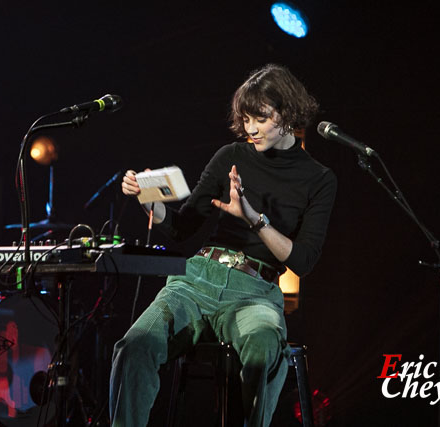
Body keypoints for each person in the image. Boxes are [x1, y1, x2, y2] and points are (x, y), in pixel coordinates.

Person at [110, 63, 337, 427]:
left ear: (288, 112)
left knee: (263, 347)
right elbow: (184, 228)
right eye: (246, 119)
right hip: (197, 278)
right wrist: (151, 204)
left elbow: (304, 260)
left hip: (256, 292)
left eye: (260, 119)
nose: (250, 129)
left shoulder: (319, 179)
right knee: (134, 346)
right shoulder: (230, 156)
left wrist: (254, 219)